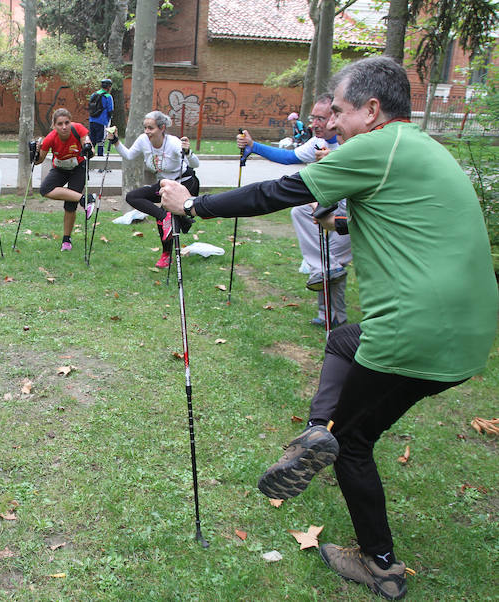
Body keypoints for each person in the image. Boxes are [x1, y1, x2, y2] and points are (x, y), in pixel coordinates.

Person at [160, 56, 497, 600]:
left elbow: (280, 192)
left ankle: (380, 564)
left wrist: (194, 202)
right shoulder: (422, 147)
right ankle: (315, 435)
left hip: (416, 328)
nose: (331, 123)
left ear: (371, 109)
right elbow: (404, 213)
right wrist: (343, 219)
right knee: (343, 339)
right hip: (468, 333)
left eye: (337, 111)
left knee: (354, 442)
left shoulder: (374, 146)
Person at [237, 94, 352, 327]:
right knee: (326, 260)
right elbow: (288, 157)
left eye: (321, 118)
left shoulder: (351, 143)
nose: (314, 124)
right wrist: (253, 146)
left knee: (331, 262)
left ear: (336, 117)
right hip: (328, 207)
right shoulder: (316, 142)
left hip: (353, 214)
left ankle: (333, 314)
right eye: (313, 118)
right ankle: (330, 314)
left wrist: (335, 159)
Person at [106, 110, 200, 268]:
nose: (147, 132)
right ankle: (167, 218)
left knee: (169, 217)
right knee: (133, 197)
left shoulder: (173, 143)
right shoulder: (143, 140)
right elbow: (129, 155)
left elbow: (195, 164)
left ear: (162, 128)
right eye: (145, 128)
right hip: (164, 183)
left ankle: (167, 254)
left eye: (151, 128)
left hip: (184, 182)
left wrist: (188, 152)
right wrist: (115, 141)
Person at [33, 107, 96, 251]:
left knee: (70, 205)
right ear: (54, 126)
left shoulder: (78, 129)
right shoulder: (50, 138)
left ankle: (66, 240)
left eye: (67, 122)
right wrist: (34, 154)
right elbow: (39, 160)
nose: (64, 127)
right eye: (60, 124)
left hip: (78, 168)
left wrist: (88, 150)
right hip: (60, 169)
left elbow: (90, 148)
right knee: (45, 189)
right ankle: (85, 199)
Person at [88, 78, 114, 158]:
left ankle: (89, 156)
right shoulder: (108, 96)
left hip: (92, 120)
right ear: (109, 87)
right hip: (102, 121)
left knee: (92, 140)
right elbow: (110, 110)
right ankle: (100, 158)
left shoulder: (94, 94)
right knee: (101, 140)